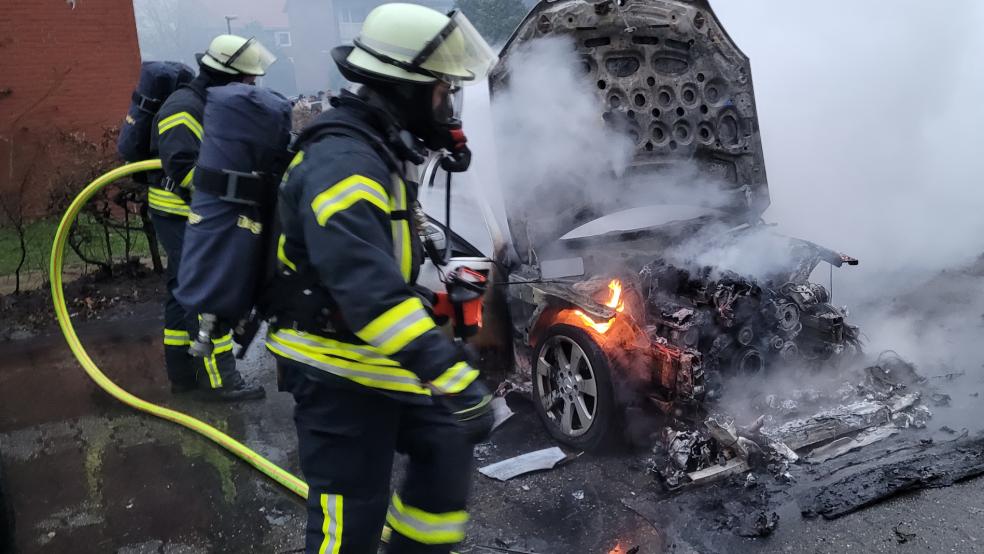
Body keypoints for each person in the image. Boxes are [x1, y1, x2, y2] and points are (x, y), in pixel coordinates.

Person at [267, 3, 498, 552]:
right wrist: (449, 370)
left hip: (371, 354)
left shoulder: (375, 147)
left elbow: (380, 248)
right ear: (403, 90)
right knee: (351, 518)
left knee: (446, 441)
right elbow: (369, 293)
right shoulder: (344, 161)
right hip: (333, 365)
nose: (448, 107)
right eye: (442, 92)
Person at [150, 34, 275, 401]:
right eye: (247, 78)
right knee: (207, 292)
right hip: (181, 214)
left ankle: (183, 375)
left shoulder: (210, 103)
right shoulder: (184, 107)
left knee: (182, 293)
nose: (252, 84)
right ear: (227, 75)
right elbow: (184, 168)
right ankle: (220, 381)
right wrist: (240, 190)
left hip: (195, 214)